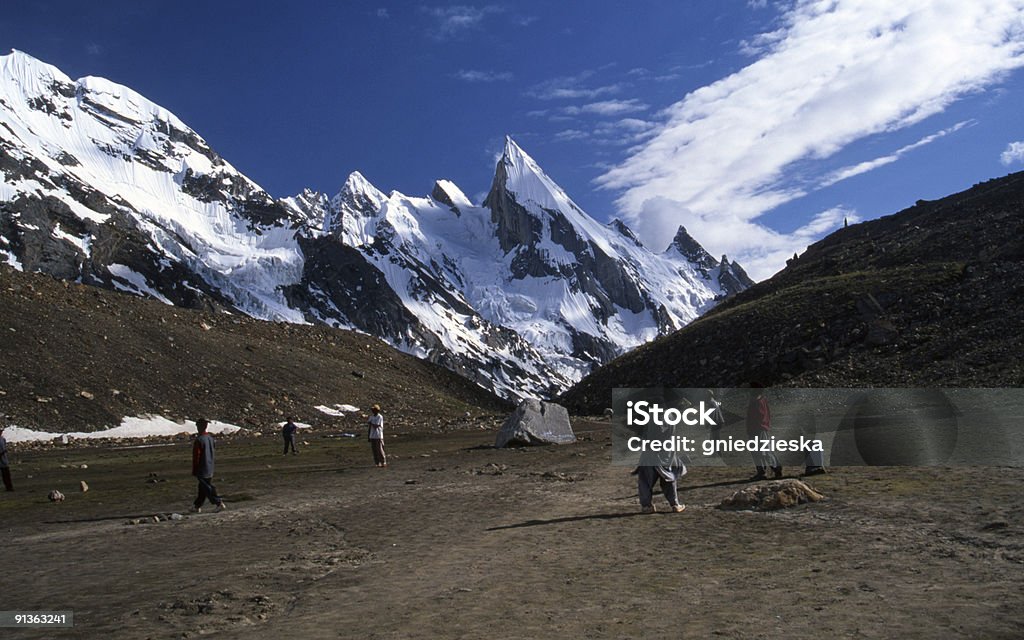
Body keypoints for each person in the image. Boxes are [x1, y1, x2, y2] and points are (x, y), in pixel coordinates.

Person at [746, 385, 782, 480]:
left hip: (758, 430)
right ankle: (764, 470)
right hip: (758, 429)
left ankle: (775, 468)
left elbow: (757, 417)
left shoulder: (757, 402)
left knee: (763, 451)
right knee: (760, 451)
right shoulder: (761, 401)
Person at [191, 418, 225, 513]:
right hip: (210, 466)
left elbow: (196, 456)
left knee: (206, 487)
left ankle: (218, 502)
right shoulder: (210, 438)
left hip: (202, 467)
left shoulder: (199, 440)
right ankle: (196, 506)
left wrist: (195, 469)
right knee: (202, 487)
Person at [1, 424, 12, 491]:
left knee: (6, 474)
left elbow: (5, 448)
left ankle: (9, 487)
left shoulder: (3, 439)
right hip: (2, 459)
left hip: (4, 459)